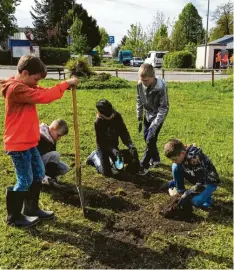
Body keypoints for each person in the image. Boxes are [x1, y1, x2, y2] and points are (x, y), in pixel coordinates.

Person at [1, 55, 79, 227]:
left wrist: (64, 86)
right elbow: (43, 97)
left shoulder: (26, 86)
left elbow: (42, 92)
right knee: (25, 179)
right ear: (25, 73)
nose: (36, 84)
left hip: (29, 142)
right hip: (17, 144)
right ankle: (13, 217)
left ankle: (31, 208)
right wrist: (65, 84)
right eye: (35, 79)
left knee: (38, 172)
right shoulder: (16, 89)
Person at [86, 99, 140, 177]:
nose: (111, 117)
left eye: (111, 114)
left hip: (114, 147)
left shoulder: (117, 116)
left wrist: (130, 145)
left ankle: (112, 160)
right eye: (108, 116)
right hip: (103, 149)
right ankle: (94, 157)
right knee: (107, 173)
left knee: (120, 168)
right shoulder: (98, 122)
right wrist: (114, 150)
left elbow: (124, 132)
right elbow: (102, 142)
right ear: (100, 114)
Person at [164, 138, 220, 209]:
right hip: (195, 175)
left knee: (195, 201)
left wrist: (187, 194)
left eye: (174, 159)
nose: (173, 161)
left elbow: (201, 183)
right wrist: (176, 181)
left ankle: (208, 202)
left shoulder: (195, 159)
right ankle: (180, 191)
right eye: (171, 159)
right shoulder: (182, 153)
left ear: (183, 153)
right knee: (175, 166)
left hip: (208, 181)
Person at [136, 63, 169, 175]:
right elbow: (139, 99)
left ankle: (144, 165)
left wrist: (154, 126)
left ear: (153, 77)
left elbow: (164, 108)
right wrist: (139, 115)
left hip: (158, 117)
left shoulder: (161, 88)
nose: (143, 83)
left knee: (150, 139)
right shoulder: (140, 84)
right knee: (146, 137)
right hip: (147, 115)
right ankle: (155, 159)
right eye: (142, 80)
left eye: (146, 80)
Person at [37, 119, 70, 187]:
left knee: (65, 168)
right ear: (52, 129)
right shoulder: (41, 136)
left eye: (61, 136)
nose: (59, 138)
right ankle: (47, 179)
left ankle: (50, 177)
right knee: (55, 154)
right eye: (58, 135)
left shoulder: (52, 137)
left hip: (45, 161)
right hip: (36, 163)